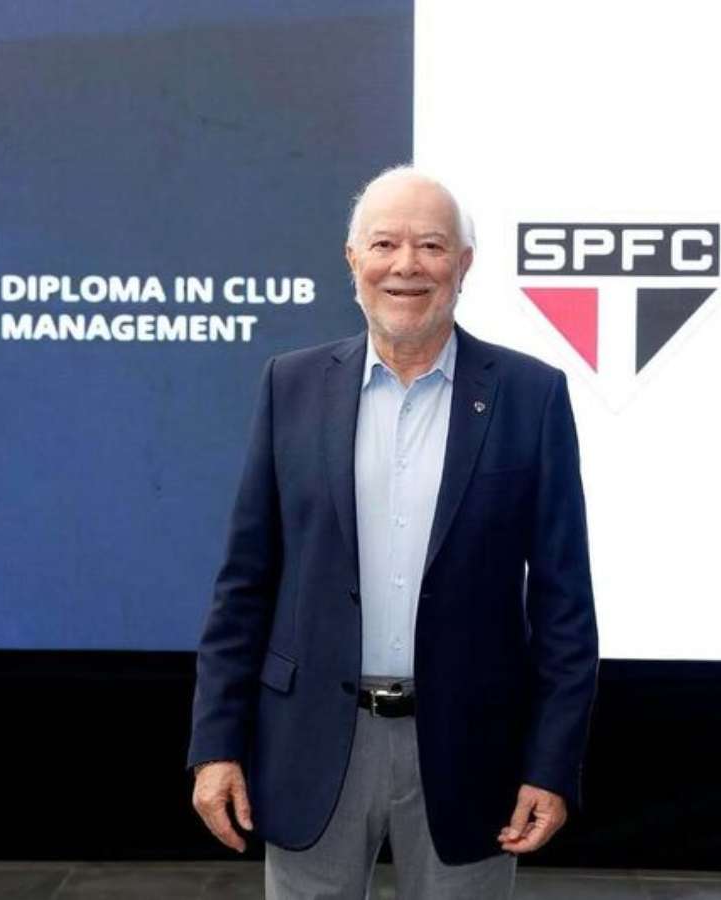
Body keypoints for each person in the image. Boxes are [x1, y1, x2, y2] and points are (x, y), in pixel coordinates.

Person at [187, 166, 599, 899]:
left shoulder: (531, 397)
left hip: (471, 755)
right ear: (353, 261)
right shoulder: (289, 386)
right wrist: (216, 744)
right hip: (311, 743)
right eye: (384, 244)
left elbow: (565, 604)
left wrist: (552, 763)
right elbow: (243, 586)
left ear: (463, 265)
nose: (406, 265)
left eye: (431, 246)